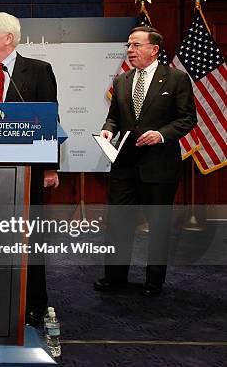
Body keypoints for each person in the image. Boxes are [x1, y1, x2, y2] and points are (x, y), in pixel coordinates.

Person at [0, 12, 59, 327]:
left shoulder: (38, 71)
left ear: (8, 38)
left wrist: (49, 168)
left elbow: (50, 122)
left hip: (28, 173)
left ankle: (34, 303)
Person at [93, 26, 196, 297]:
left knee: (158, 226)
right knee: (118, 223)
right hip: (125, 165)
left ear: (154, 50)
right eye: (129, 45)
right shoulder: (121, 80)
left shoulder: (176, 79)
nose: (130, 50)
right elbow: (114, 116)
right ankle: (114, 278)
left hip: (159, 166)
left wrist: (161, 135)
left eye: (136, 45)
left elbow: (187, 119)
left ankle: (154, 281)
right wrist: (108, 129)